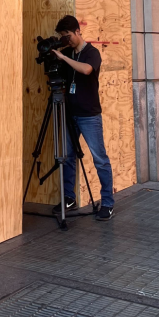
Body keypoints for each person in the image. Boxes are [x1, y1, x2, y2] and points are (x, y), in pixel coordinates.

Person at [52, 15, 114, 220]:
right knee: (68, 157)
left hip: (89, 116)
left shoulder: (91, 53)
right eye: (62, 37)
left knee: (100, 159)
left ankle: (107, 202)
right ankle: (69, 198)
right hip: (70, 114)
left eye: (67, 36)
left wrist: (63, 58)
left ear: (78, 31)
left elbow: (86, 70)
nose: (66, 40)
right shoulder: (68, 52)